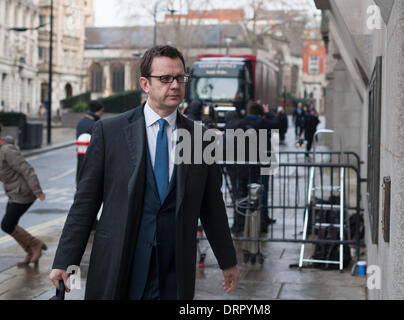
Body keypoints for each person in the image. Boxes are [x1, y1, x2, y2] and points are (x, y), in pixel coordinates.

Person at [49, 45, 239, 300]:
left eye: (180, 78)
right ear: (145, 84)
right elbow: (85, 202)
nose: (174, 85)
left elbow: (212, 207)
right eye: (165, 78)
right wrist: (65, 260)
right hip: (120, 262)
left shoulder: (201, 139)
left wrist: (228, 260)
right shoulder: (109, 132)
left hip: (174, 269)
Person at [0, 123, 47, 266]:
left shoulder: (7, 150)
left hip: (24, 192)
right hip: (14, 192)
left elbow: (27, 169)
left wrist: (37, 190)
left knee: (7, 224)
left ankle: (36, 244)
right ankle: (31, 251)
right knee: (9, 225)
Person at [232, 102, 280, 233]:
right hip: (260, 162)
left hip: (243, 163)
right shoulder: (262, 122)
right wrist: (267, 113)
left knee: (242, 193)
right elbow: (277, 123)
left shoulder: (240, 123)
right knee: (260, 191)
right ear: (260, 113)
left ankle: (240, 223)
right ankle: (261, 221)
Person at [75, 100, 105, 185]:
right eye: (102, 111)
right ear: (98, 111)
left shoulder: (81, 122)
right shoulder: (96, 124)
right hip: (92, 160)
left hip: (80, 156)